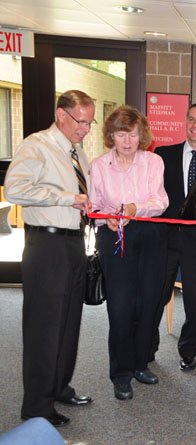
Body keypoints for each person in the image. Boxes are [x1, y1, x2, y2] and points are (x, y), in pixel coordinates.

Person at [4, 90, 95, 427]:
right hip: (46, 246)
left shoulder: (77, 153)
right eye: (80, 121)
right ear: (62, 114)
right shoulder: (36, 145)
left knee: (69, 323)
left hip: (73, 244)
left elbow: (82, 198)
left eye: (89, 122)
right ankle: (37, 407)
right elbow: (15, 189)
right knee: (45, 327)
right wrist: (67, 197)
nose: (86, 128)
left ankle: (59, 387)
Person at [89, 105, 169, 401]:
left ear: (141, 135)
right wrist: (105, 217)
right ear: (111, 135)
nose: (127, 140)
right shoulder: (99, 165)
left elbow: (160, 200)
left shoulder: (153, 161)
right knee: (120, 307)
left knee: (148, 302)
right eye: (121, 133)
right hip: (114, 236)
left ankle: (139, 364)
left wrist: (136, 208)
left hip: (148, 234)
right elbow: (93, 207)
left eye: (132, 134)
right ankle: (120, 373)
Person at [153, 103, 196, 371]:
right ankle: (146, 348)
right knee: (155, 297)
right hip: (164, 240)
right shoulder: (162, 155)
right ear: (185, 122)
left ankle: (188, 352)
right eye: (192, 119)